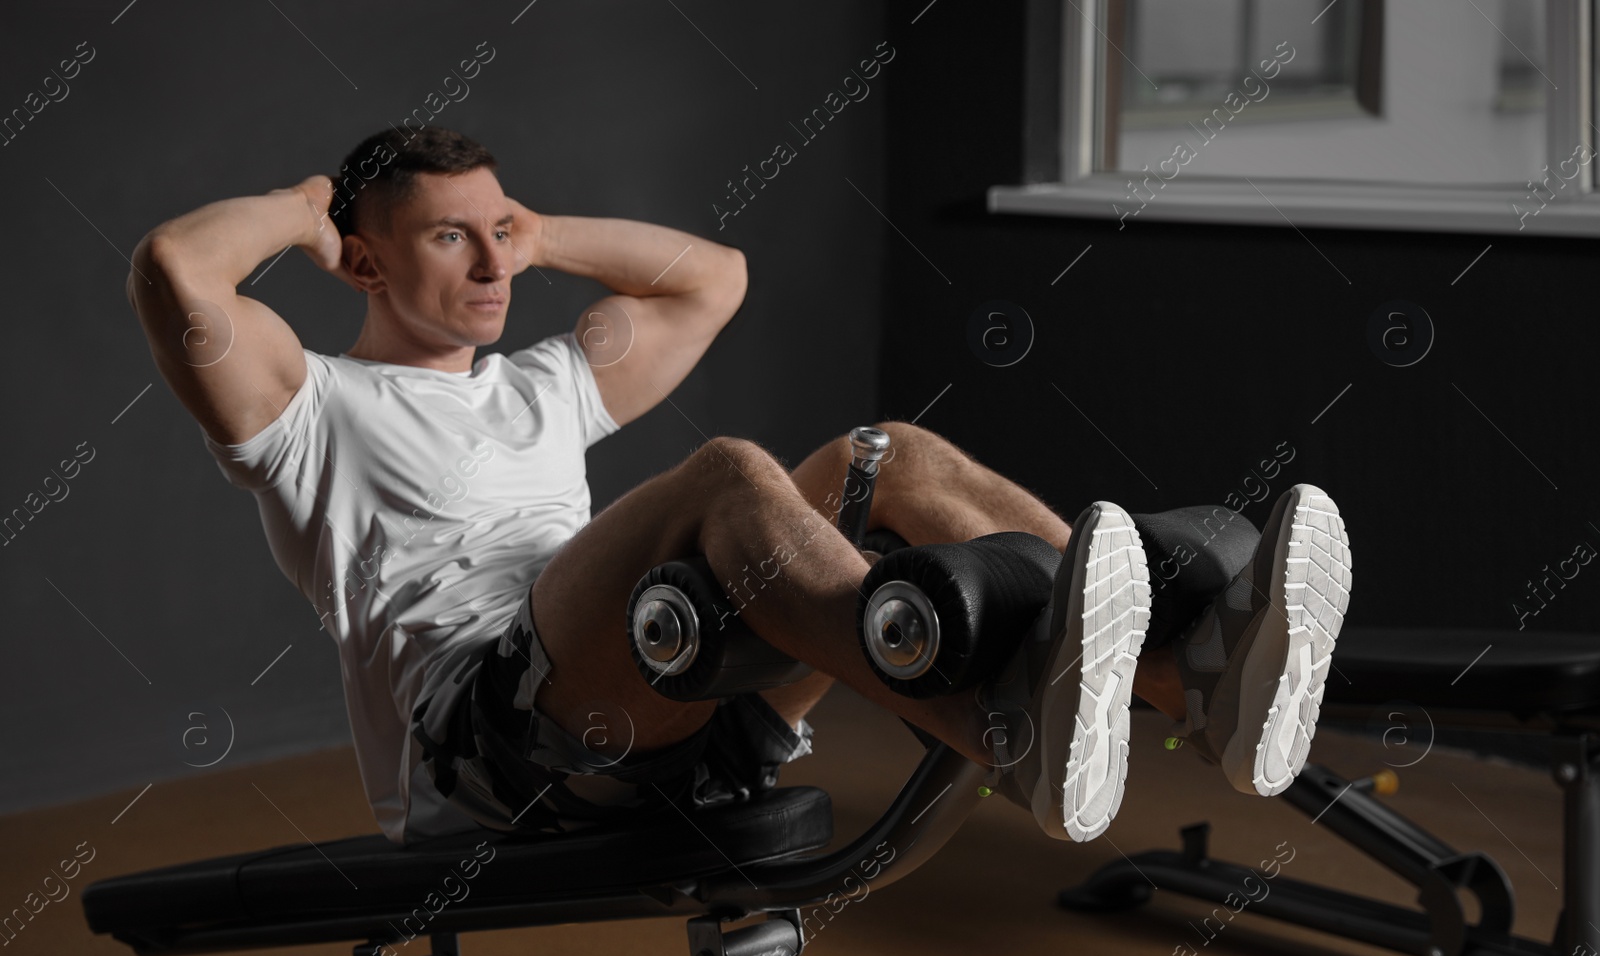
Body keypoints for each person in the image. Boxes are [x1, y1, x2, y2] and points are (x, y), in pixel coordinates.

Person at [126, 126, 1352, 848]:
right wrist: (299, 210)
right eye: (454, 236)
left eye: (500, 230)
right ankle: (1011, 731)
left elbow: (714, 277)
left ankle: (1185, 678)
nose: (497, 259)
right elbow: (177, 270)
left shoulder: (543, 383)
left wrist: (537, 230)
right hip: (492, 746)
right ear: (366, 259)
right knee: (724, 478)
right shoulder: (312, 410)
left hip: (674, 685)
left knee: (890, 457)